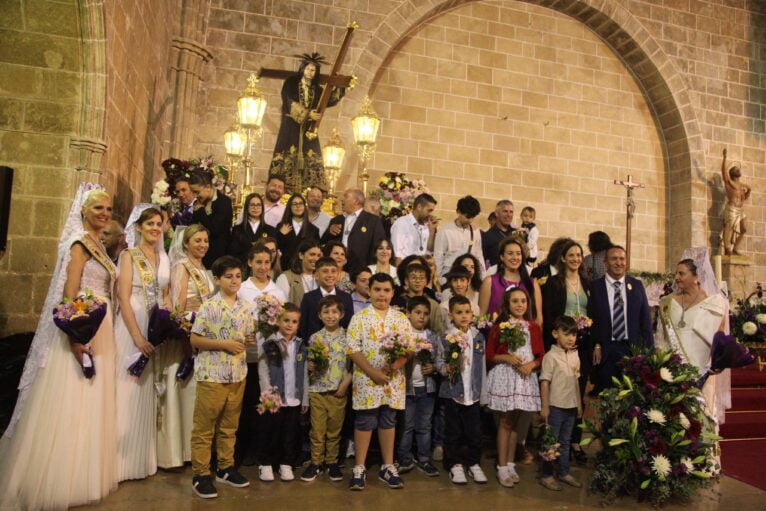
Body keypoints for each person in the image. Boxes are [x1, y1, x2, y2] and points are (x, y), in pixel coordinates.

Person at [0, 185, 119, 510]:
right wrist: (76, 336)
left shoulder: (99, 244)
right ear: (84, 211)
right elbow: (70, 289)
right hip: (84, 326)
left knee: (92, 398)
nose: (104, 215)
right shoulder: (79, 244)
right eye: (98, 209)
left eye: (108, 210)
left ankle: (83, 473)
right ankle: (58, 479)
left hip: (102, 326)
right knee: (72, 398)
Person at [189, 256, 256, 499]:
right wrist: (223, 344)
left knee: (229, 426)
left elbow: (247, 336)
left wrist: (249, 341)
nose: (234, 280)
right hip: (212, 374)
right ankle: (201, 473)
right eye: (228, 276)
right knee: (205, 427)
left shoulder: (246, 306)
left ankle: (226, 468)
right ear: (217, 279)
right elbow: (195, 340)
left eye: (238, 276)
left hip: (237, 374)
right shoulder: (209, 306)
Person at [113, 205, 171, 481]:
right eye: (149, 224)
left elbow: (165, 294)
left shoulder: (162, 256)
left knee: (146, 389)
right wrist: (136, 336)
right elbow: (123, 297)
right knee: (126, 388)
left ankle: (139, 458)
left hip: (154, 325)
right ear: (138, 227)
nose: (155, 228)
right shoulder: (129, 255)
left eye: (159, 224)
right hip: (132, 324)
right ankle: (117, 460)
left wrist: (170, 323)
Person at [347, 273, 411, 491]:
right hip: (367, 379)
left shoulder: (401, 319)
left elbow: (408, 348)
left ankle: (387, 466)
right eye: (377, 289)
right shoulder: (360, 318)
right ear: (369, 291)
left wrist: (394, 366)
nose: (381, 294)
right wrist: (373, 372)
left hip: (392, 380)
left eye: (386, 290)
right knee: (365, 420)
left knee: (388, 419)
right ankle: (359, 467)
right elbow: (353, 349)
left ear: (393, 293)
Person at [158, 224, 215, 470]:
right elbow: (178, 306)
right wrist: (185, 333)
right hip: (187, 336)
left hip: (203, 335)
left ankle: (195, 450)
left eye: (205, 240)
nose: (202, 245)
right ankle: (178, 451)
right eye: (197, 241)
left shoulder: (203, 268)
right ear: (186, 244)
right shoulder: (182, 267)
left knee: (196, 395)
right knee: (184, 389)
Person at [656, 254, 728, 418]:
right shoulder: (667, 302)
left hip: (702, 372)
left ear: (696, 277)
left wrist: (717, 363)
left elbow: (720, 340)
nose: (677, 278)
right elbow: (660, 338)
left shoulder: (715, 303)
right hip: (672, 372)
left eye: (681, 274)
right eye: (676, 273)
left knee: (701, 422)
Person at [236, 243, 288, 466]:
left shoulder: (278, 291)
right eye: (258, 262)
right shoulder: (242, 289)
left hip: (269, 356)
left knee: (265, 403)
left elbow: (284, 323)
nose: (263, 266)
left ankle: (264, 452)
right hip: (245, 355)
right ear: (249, 262)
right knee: (245, 404)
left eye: (267, 262)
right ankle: (243, 451)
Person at [486, 288, 543, 487]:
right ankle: (501, 466)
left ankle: (510, 463)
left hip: (524, 378)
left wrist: (532, 365)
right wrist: (507, 358)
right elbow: (490, 354)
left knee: (517, 422)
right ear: (507, 305)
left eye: (523, 301)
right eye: (515, 301)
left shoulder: (533, 327)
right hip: (507, 377)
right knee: (505, 421)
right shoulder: (501, 326)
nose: (520, 305)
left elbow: (539, 355)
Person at [541, 240, 591, 463]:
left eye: (579, 255)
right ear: (563, 258)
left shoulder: (588, 283)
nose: (575, 259)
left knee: (578, 392)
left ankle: (574, 441)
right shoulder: (554, 283)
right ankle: (554, 443)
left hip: (582, 345)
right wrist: (561, 336)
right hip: (561, 344)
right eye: (571, 255)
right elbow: (550, 314)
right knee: (558, 393)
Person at [268, 52, 346, 190]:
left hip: (308, 130)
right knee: (287, 155)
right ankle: (284, 187)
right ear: (303, 69)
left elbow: (329, 99)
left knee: (311, 157)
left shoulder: (317, 89)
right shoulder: (291, 83)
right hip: (291, 125)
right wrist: (307, 114)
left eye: (313, 70)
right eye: (308, 69)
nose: (310, 72)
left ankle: (310, 188)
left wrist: (340, 85)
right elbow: (288, 100)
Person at [435, 295, 488, 485]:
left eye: (467, 312)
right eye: (459, 312)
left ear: (472, 314)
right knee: (453, 431)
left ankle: (473, 463)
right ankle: (454, 464)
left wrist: (483, 394)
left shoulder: (478, 337)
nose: (464, 316)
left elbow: (481, 366)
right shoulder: (446, 338)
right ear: (451, 315)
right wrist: (445, 368)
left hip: (472, 394)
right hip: (452, 393)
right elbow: (439, 362)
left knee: (474, 431)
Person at [301, 295, 352, 482]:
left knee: (334, 430)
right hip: (317, 391)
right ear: (319, 315)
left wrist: (345, 384)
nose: (331, 315)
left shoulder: (348, 337)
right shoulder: (315, 337)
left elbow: (354, 366)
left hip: (337, 391)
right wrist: (310, 366)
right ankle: (315, 463)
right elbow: (309, 363)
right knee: (317, 430)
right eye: (326, 312)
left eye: (334, 311)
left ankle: (331, 463)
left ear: (342, 314)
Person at [588, 245, 653, 392]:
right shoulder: (595, 287)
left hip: (632, 351)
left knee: (632, 399)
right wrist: (597, 344)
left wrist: (648, 354)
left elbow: (645, 321)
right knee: (607, 398)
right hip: (606, 351)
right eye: (614, 259)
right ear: (605, 263)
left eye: (622, 259)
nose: (619, 263)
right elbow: (592, 319)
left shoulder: (636, 285)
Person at [257, 303, 308, 482]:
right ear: (277, 320)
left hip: (293, 398)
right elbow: (263, 368)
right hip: (274, 398)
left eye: (294, 321)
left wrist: (305, 398)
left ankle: (286, 464)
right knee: (271, 431)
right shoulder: (270, 342)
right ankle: (266, 464)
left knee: (289, 433)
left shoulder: (301, 345)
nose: (289, 324)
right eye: (286, 320)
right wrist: (267, 393)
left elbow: (304, 374)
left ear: (298, 325)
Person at [396, 296, 440, 477]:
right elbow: (396, 359)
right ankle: (404, 459)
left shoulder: (432, 336)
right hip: (407, 388)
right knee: (406, 425)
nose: (422, 317)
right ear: (408, 313)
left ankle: (424, 459)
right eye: (417, 313)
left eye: (426, 314)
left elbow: (439, 360)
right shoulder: (402, 335)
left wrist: (434, 368)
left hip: (427, 388)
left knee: (424, 425)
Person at [539, 316, 583, 491]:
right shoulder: (550, 357)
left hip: (570, 406)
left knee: (565, 442)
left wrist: (579, 404)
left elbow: (576, 382)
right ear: (555, 334)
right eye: (567, 334)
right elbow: (544, 382)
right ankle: (547, 475)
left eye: (574, 334)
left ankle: (564, 472)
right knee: (551, 442)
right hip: (555, 406)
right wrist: (545, 406)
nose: (571, 338)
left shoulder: (575, 356)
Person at [479, 237, 542, 326]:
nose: (515, 257)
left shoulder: (532, 283)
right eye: (510, 253)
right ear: (502, 257)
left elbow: (538, 319)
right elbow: (481, 316)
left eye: (518, 254)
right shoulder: (489, 282)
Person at [322, 189, 385, 273]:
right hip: (335, 269)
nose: (342, 199)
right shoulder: (337, 220)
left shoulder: (373, 221)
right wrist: (329, 232)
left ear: (356, 201)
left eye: (346, 196)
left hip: (361, 270)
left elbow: (378, 247)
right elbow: (323, 243)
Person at [299, 257, 354, 342]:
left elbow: (349, 326)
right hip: (315, 347)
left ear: (338, 274)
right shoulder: (308, 298)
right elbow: (303, 327)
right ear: (316, 275)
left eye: (333, 271)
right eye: (325, 271)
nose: (330, 275)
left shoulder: (346, 298)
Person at [433, 195, 485, 282]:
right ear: (458, 211)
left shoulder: (475, 231)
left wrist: (483, 276)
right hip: (449, 275)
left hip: (469, 277)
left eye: (472, 217)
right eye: (467, 217)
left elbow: (479, 255)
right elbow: (438, 257)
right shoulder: (445, 231)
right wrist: (438, 280)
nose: (470, 220)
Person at [189, 171, 232, 269]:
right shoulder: (199, 202)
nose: (195, 196)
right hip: (198, 257)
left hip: (217, 260)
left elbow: (215, 229)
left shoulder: (224, 202)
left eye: (197, 192)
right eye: (193, 192)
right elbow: (193, 227)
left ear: (208, 187)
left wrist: (200, 211)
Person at [393, 263, 446, 336]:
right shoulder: (398, 302)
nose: (417, 281)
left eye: (421, 278)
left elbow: (438, 331)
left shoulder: (433, 304)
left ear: (426, 281)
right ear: (406, 281)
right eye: (413, 277)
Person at [229, 193, 278, 268]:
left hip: (263, 269)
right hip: (242, 269)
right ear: (247, 207)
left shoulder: (270, 230)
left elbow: (273, 255)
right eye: (252, 205)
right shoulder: (237, 229)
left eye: (258, 205)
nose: (255, 208)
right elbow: (233, 254)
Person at [390, 193, 438, 264]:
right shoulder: (402, 223)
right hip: (406, 268)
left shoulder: (428, 225)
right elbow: (397, 254)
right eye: (429, 210)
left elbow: (430, 250)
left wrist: (432, 231)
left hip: (422, 269)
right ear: (419, 207)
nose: (430, 214)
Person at [277, 192, 320, 271]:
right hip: (285, 268)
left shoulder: (313, 230)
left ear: (304, 206)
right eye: (294, 204)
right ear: (290, 207)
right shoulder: (281, 226)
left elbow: (316, 252)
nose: (298, 206)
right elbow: (276, 248)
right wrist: (281, 235)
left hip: (305, 269)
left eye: (301, 203)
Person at [720, 148, 751, 255]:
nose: (738, 170)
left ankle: (735, 248)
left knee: (744, 229)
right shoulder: (729, 183)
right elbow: (723, 172)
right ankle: (727, 248)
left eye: (738, 169)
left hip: (740, 210)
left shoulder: (742, 186)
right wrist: (724, 158)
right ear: (732, 173)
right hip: (732, 209)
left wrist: (749, 191)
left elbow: (744, 198)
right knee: (729, 228)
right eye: (736, 169)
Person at [275, 240, 321, 305]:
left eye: (318, 255)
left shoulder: (320, 278)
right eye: (312, 254)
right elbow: (279, 306)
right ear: (301, 255)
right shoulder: (286, 277)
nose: (316, 259)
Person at [481, 200, 515, 269]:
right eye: (505, 211)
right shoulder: (488, 236)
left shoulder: (516, 234)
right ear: (496, 213)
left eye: (511, 212)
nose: (509, 215)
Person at [519, 206, 539, 272]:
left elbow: (532, 242)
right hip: (522, 251)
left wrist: (524, 248)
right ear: (521, 216)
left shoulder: (534, 230)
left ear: (534, 218)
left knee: (528, 269)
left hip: (530, 253)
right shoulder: (521, 227)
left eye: (530, 217)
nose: (527, 218)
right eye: (525, 215)